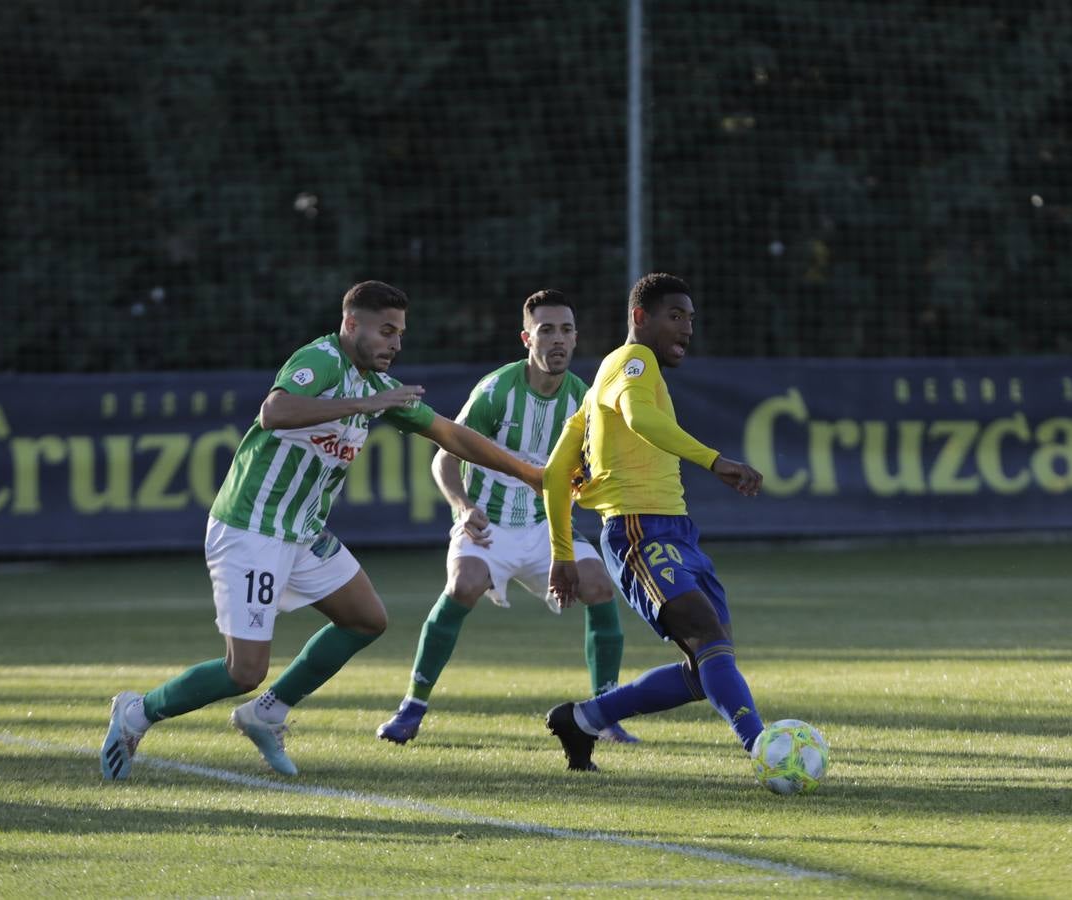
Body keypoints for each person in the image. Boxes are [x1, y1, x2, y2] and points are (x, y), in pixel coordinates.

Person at [99, 280, 542, 780]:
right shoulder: (324, 360)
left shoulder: (375, 387)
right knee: (243, 671)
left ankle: (266, 713)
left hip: (302, 532)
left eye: (400, 334)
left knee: (366, 620)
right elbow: (275, 411)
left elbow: (448, 432)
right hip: (252, 528)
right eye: (386, 331)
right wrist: (362, 407)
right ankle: (137, 711)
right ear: (351, 324)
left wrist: (529, 473)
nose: (395, 343)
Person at [375, 290, 638, 745]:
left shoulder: (585, 400)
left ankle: (605, 712)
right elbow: (445, 459)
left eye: (567, 330)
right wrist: (462, 507)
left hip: (545, 528)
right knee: (464, 585)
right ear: (526, 338)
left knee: (598, 585)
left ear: (576, 339)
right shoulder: (496, 391)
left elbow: (590, 472)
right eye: (547, 330)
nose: (558, 340)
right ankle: (412, 707)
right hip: (488, 526)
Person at [540, 272, 765, 772]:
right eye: (675, 316)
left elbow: (556, 473)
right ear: (640, 318)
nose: (686, 328)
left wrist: (561, 555)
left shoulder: (603, 381)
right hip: (638, 529)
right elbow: (641, 419)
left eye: (691, 318)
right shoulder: (633, 361)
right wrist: (714, 460)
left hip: (675, 531)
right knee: (708, 637)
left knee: (704, 666)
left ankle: (584, 718)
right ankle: (765, 749)